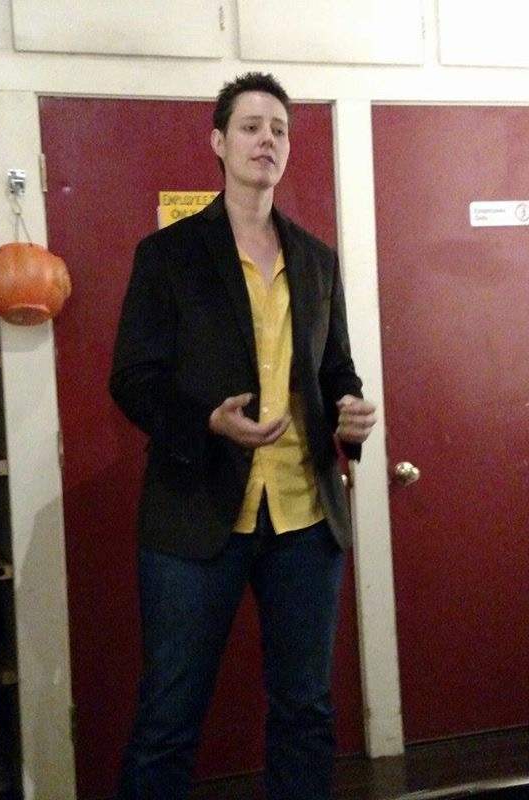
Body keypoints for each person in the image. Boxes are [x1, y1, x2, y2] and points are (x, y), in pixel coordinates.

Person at [109, 72, 377, 800]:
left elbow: (335, 368)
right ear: (219, 143)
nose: (267, 140)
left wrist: (350, 411)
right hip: (196, 513)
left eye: (279, 129)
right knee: (168, 716)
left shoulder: (316, 259)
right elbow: (132, 379)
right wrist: (206, 420)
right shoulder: (167, 255)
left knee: (306, 710)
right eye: (252, 126)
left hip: (304, 518)